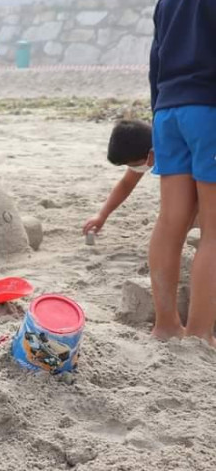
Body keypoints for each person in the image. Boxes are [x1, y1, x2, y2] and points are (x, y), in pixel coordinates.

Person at [147, 0, 216, 343]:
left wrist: (156, 112)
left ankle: (165, 326)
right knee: (214, 232)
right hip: (209, 109)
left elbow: (155, 61)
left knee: (170, 222)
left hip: (167, 111)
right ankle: (201, 334)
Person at [83, 120, 156, 236]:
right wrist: (102, 215)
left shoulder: (175, 153)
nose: (135, 169)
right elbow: (126, 184)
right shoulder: (147, 151)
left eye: (134, 165)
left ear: (151, 155)